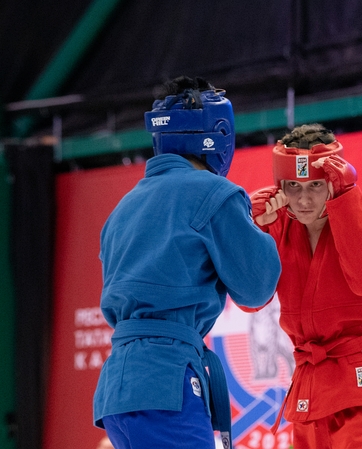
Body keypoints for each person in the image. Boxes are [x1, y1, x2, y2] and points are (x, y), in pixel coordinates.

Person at [92, 76, 282, 449]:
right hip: (168, 382)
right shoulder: (214, 193)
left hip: (117, 391)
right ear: (217, 132)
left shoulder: (122, 209)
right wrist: (258, 230)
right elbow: (256, 288)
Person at [249, 123, 362, 449]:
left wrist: (347, 198)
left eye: (315, 185)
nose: (303, 199)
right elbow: (251, 299)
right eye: (293, 186)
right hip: (308, 391)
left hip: (360, 386)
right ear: (281, 186)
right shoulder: (277, 225)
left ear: (333, 182)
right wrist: (255, 231)